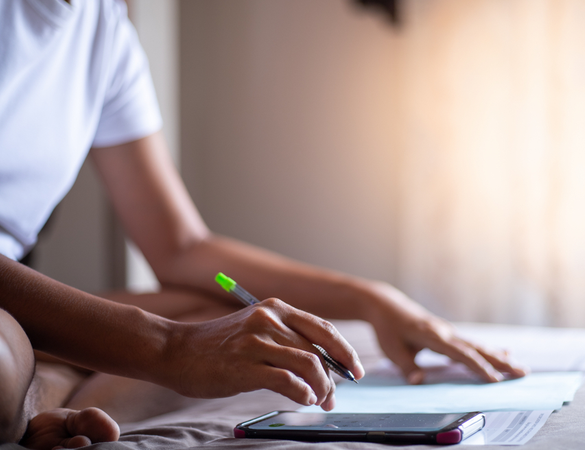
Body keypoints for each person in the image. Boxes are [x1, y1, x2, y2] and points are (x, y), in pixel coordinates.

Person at [0, 0, 527, 448]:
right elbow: (171, 329)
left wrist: (372, 299)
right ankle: (37, 392)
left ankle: (48, 374)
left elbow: (182, 248)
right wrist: (168, 348)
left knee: (220, 311)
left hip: (19, 302)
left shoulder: (103, 27)